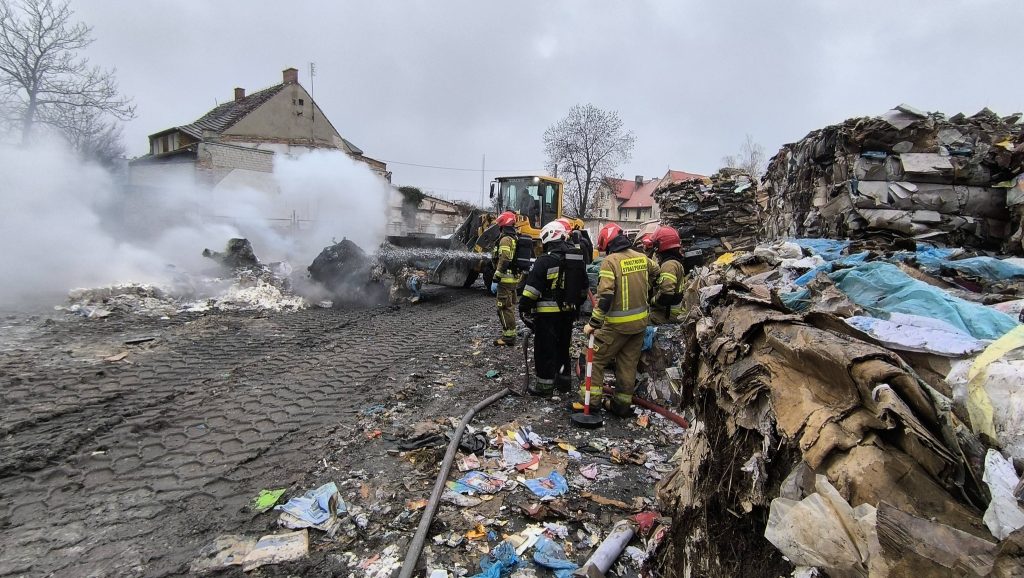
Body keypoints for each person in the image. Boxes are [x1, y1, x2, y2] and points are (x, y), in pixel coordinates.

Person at [582, 222, 660, 417]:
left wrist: (593, 324)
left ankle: (591, 404)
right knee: (627, 365)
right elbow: (657, 273)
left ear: (607, 243)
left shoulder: (611, 261)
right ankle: (621, 406)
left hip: (615, 326)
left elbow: (606, 297)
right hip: (639, 325)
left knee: (596, 359)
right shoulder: (642, 258)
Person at [519, 221, 588, 396]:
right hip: (568, 314)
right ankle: (564, 383)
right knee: (563, 348)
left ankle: (545, 387)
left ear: (548, 238)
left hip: (547, 316)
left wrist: (523, 307)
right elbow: (584, 287)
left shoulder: (545, 261)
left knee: (545, 350)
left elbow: (531, 291)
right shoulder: (575, 259)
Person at [491, 211, 521, 346]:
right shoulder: (514, 237)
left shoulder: (505, 239)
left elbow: (505, 259)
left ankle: (508, 337)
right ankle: (510, 333)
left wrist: (497, 275)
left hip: (505, 279)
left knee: (503, 307)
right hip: (513, 279)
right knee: (509, 307)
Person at [649, 226, 687, 324]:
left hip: (668, 314)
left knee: (640, 323)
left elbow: (666, 295)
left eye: (656, 244)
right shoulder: (673, 261)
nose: (655, 247)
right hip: (671, 311)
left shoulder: (669, 265)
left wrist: (651, 301)